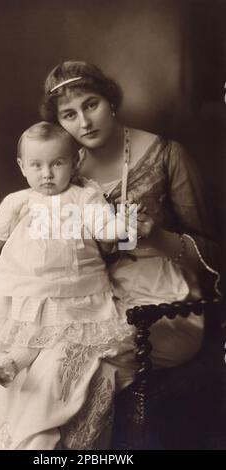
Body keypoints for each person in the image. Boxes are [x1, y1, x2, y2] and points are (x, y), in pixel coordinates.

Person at [0, 121, 138, 449]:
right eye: (37, 165)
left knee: (62, 332)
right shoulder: (18, 201)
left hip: (76, 288)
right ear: (22, 167)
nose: (47, 174)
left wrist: (123, 225)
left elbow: (104, 229)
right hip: (27, 287)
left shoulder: (85, 196)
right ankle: (13, 362)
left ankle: (18, 362)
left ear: (76, 161)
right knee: (31, 327)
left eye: (57, 163)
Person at [41, 60, 221, 372]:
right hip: (95, 303)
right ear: (60, 123)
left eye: (91, 105)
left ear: (110, 100)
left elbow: (215, 256)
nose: (84, 122)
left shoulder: (167, 156)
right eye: (70, 115)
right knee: (36, 359)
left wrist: (157, 237)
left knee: (64, 360)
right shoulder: (66, 173)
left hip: (165, 307)